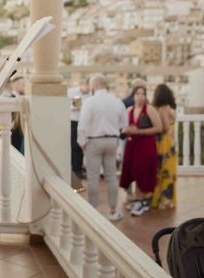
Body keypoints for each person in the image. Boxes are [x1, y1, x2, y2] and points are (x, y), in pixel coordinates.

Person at [77, 74, 128, 221]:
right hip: (112, 141)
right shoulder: (117, 101)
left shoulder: (90, 102)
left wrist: (82, 143)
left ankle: (93, 211)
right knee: (111, 177)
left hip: (94, 141)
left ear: (93, 86)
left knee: (92, 178)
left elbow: (83, 126)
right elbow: (123, 125)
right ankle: (113, 211)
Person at [119, 83, 163, 216]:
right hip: (132, 145)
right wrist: (126, 131)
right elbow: (125, 128)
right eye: (138, 94)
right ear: (133, 96)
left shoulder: (149, 109)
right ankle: (138, 200)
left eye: (143, 94)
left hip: (146, 145)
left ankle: (141, 201)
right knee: (133, 171)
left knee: (143, 171)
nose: (140, 96)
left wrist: (139, 131)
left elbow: (159, 128)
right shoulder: (129, 110)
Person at [151, 84, 178, 210]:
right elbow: (168, 127)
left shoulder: (160, 109)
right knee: (169, 172)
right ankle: (167, 200)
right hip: (170, 143)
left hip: (163, 143)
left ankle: (160, 199)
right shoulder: (169, 108)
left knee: (161, 171)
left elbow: (164, 127)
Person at [68, 77, 91, 186]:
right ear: (83, 84)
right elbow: (64, 106)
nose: (88, 88)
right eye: (87, 85)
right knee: (74, 149)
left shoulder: (92, 95)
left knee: (84, 149)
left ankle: (80, 176)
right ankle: (75, 180)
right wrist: (74, 106)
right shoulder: (72, 92)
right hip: (74, 123)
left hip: (87, 125)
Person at [10, 75, 25, 154]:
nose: (25, 86)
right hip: (14, 135)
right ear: (15, 85)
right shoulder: (11, 99)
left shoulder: (24, 98)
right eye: (23, 84)